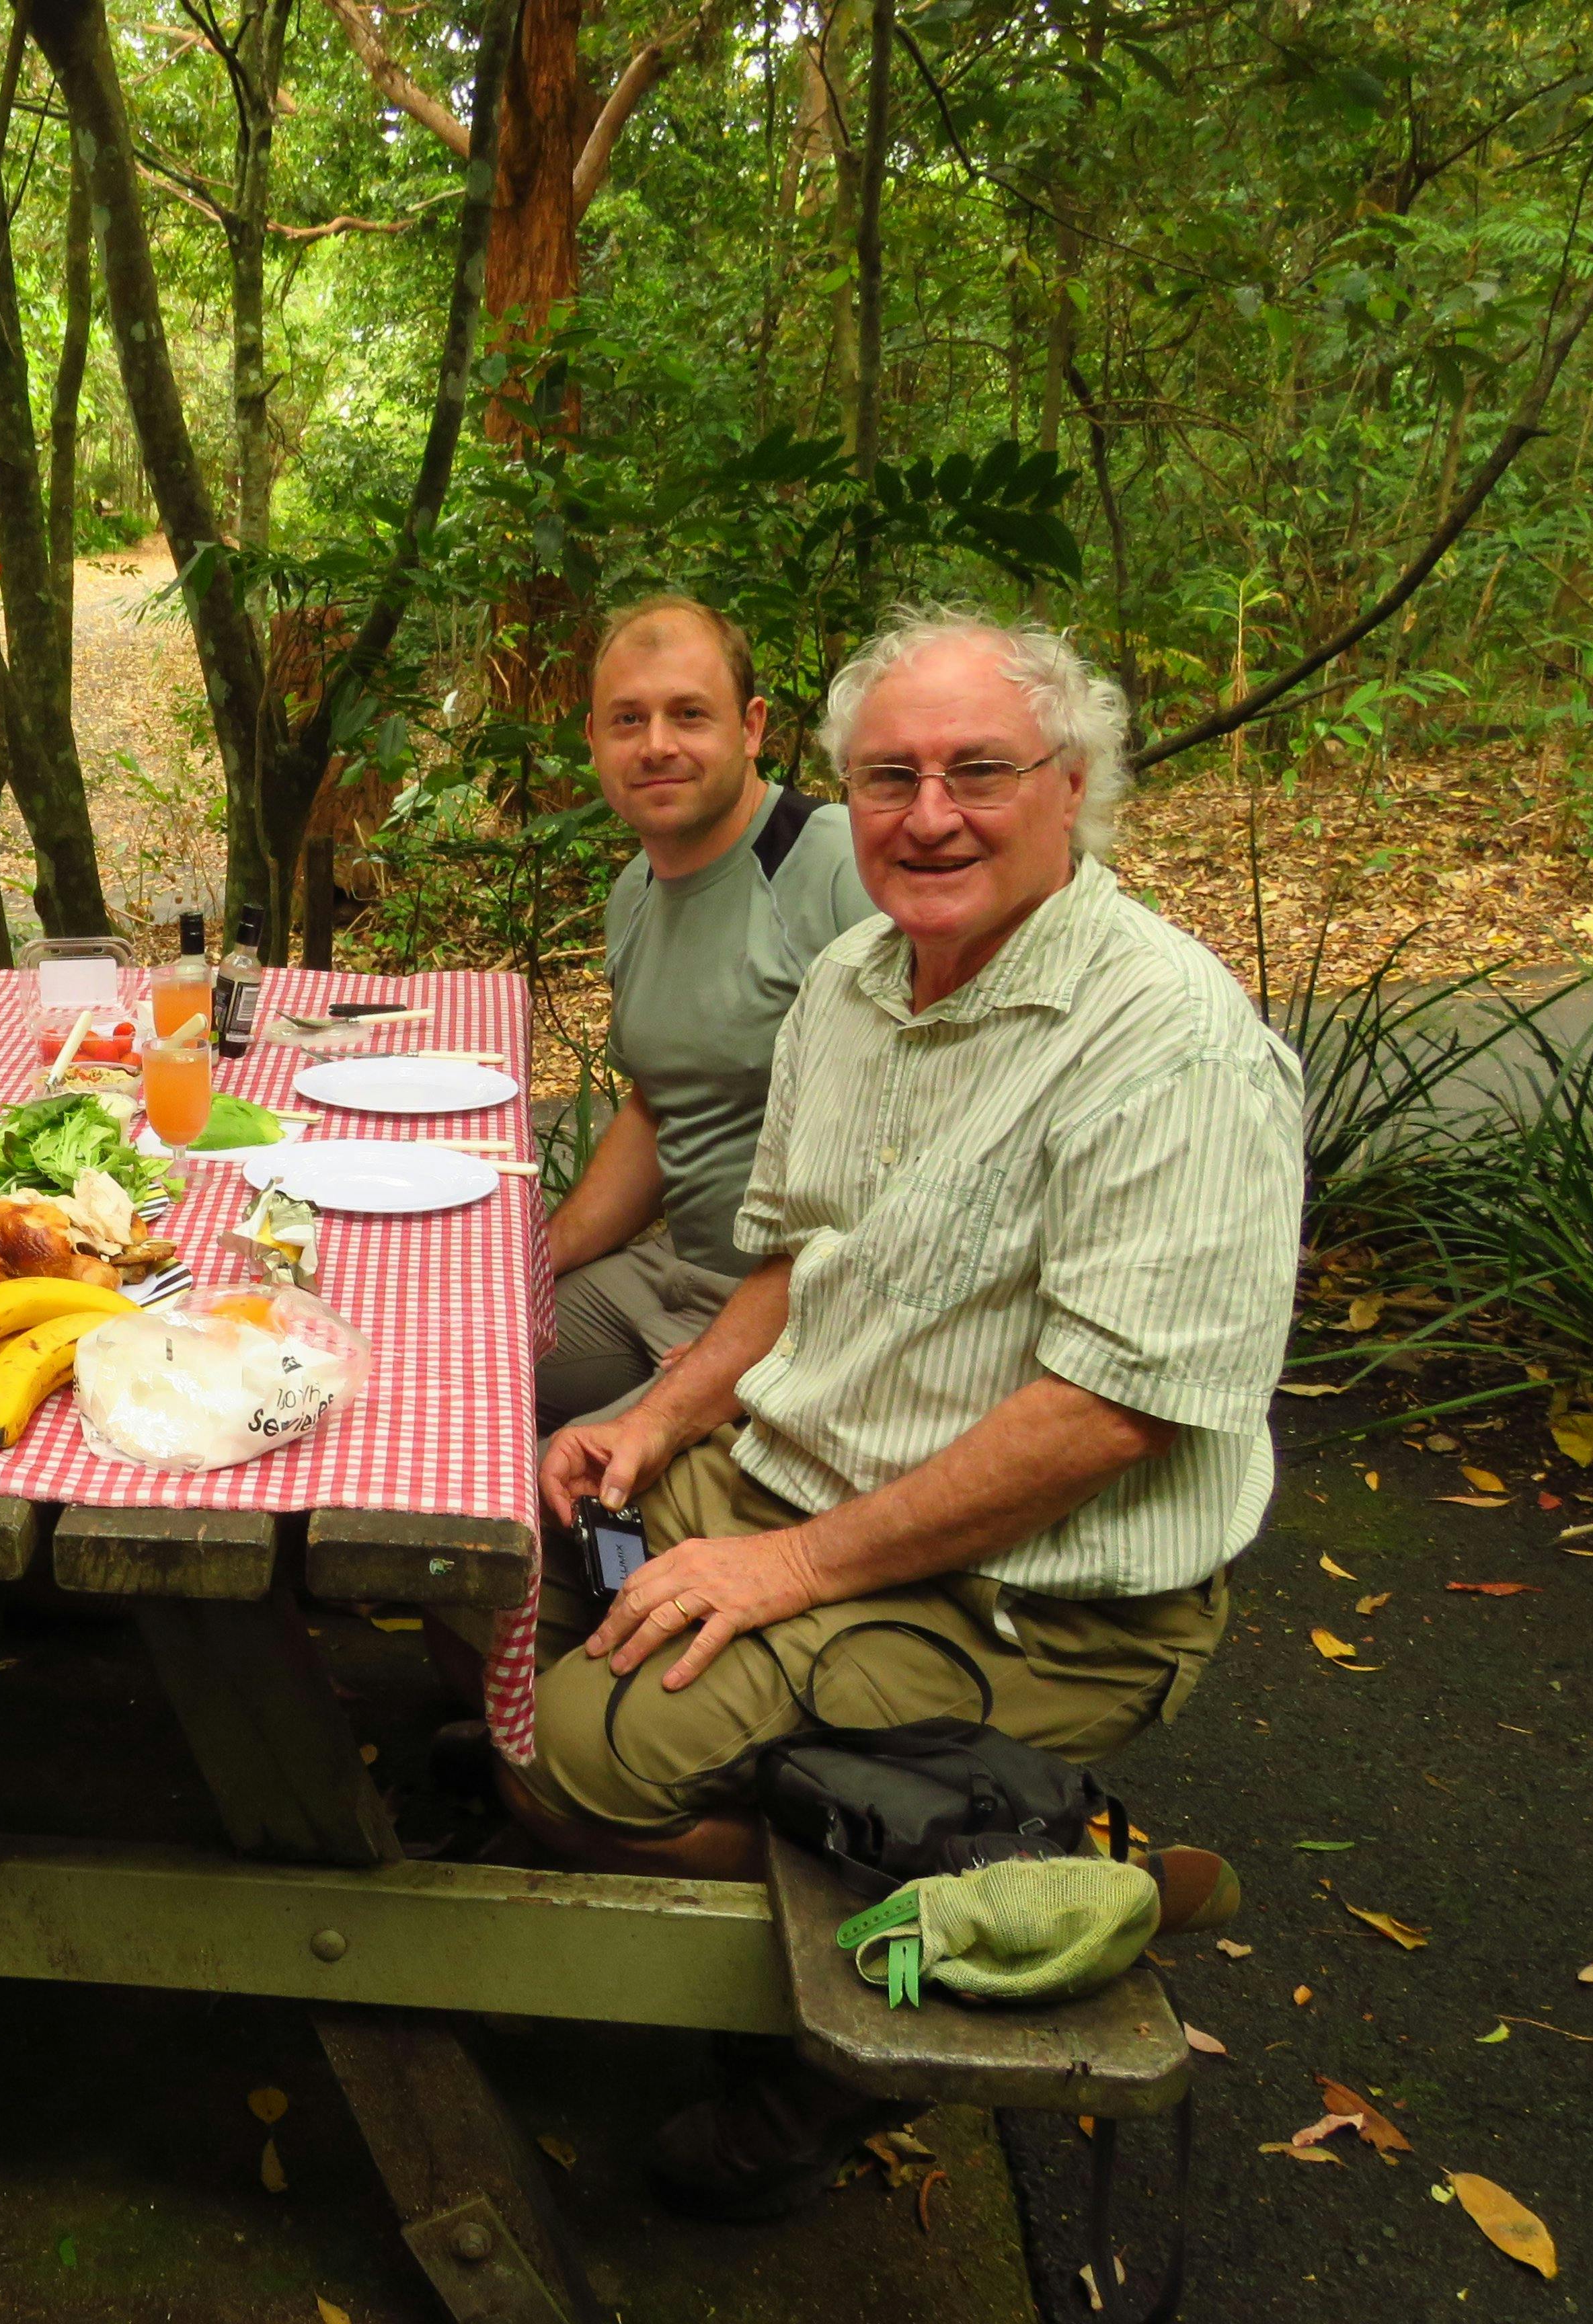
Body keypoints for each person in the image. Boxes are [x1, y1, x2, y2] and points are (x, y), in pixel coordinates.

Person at [512, 609, 1303, 2218]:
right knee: (493, 1555)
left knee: (568, 1763)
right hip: (800, 1471)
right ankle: (904, 1818)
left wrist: (785, 1569)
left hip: (1032, 1591)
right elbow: (794, 1262)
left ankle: (980, 1909)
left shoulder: (1171, 1046)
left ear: (1071, 787)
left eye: (977, 772)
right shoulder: (855, 979)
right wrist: (658, 1418)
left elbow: (1109, 1417)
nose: (927, 813)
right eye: (888, 777)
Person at [537, 596, 875, 1430]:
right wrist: (533, 1261)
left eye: (689, 714)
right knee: (439, 1358)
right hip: (674, 1274)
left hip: (816, 1314)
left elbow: (935, 1133)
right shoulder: (635, 893)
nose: (657, 745)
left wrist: (763, 1342)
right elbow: (659, 1106)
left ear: (751, 728)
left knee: (555, 1479)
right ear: (593, 740)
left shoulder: (841, 865)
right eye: (629, 720)